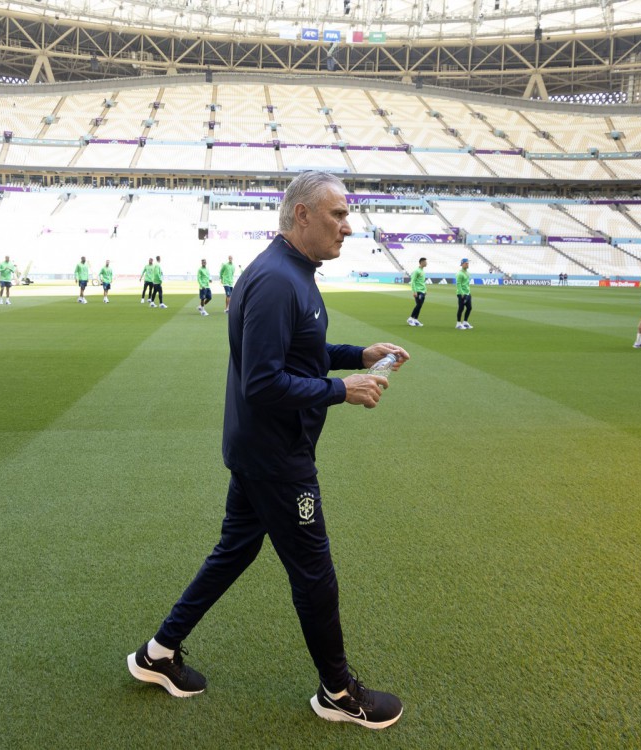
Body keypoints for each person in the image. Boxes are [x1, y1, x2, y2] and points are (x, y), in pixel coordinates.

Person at [126, 170, 409, 731]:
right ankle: (337, 692)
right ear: (302, 214)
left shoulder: (290, 271)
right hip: (278, 458)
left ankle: (157, 654)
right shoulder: (280, 280)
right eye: (338, 215)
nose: (348, 227)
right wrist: (341, 390)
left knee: (233, 552)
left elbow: (298, 352)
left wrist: (356, 355)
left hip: (261, 450)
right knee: (314, 573)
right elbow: (263, 382)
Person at [407, 257, 427, 327]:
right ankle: (410, 318)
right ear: (421, 262)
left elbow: (422, 282)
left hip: (422, 291)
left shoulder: (422, 271)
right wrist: (414, 291)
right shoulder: (417, 271)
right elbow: (413, 281)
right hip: (418, 291)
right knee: (418, 305)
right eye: (425, 262)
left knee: (420, 305)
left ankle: (415, 319)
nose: (426, 263)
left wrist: (425, 290)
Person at [455, 258, 473, 330]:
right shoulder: (459, 273)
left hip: (467, 293)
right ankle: (458, 323)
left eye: (468, 263)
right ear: (462, 264)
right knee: (461, 308)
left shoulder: (468, 273)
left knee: (469, 308)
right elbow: (458, 284)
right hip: (462, 294)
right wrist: (462, 293)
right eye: (466, 263)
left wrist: (468, 292)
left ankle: (465, 322)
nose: (467, 264)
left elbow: (467, 284)